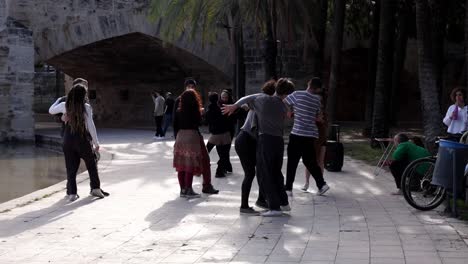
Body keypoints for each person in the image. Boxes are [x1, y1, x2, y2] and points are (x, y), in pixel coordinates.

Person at [224, 78, 294, 217]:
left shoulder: (262, 100)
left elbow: (246, 99)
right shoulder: (283, 106)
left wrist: (234, 106)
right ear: (286, 94)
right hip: (276, 141)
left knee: (265, 173)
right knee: (274, 172)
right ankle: (281, 203)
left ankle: (274, 206)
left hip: (264, 139)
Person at [49, 84, 107, 202]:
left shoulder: (64, 105)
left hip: (68, 140)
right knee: (91, 164)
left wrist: (58, 100)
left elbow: (50, 111)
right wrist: (96, 143)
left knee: (71, 168)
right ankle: (95, 188)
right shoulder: (86, 107)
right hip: (82, 140)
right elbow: (91, 125)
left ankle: (72, 193)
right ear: (83, 95)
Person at [284, 77, 329, 196]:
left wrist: (290, 111)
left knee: (292, 162)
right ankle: (322, 184)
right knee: (311, 162)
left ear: (309, 83)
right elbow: (319, 117)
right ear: (318, 89)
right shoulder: (317, 100)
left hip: (297, 134)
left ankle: (288, 188)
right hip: (310, 135)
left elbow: (284, 101)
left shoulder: (297, 94)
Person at [173, 78, 219, 194]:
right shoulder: (194, 107)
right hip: (193, 135)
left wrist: (176, 137)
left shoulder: (179, 107)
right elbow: (199, 122)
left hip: (180, 136)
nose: (191, 88)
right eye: (189, 86)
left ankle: (183, 189)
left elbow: (175, 122)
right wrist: (201, 113)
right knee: (192, 162)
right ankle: (194, 187)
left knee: (182, 164)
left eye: (192, 86)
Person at [302, 84, 328, 191]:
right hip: (311, 136)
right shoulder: (310, 107)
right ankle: (306, 183)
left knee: (320, 161)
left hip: (321, 136)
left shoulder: (322, 109)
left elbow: (323, 121)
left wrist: (319, 119)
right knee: (310, 161)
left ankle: (320, 185)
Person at [205, 92, 231, 178]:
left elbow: (205, 122)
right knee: (224, 155)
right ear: (218, 99)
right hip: (224, 134)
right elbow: (227, 121)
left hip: (214, 135)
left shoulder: (208, 111)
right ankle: (219, 172)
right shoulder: (221, 109)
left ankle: (199, 168)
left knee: (205, 152)